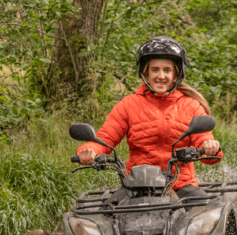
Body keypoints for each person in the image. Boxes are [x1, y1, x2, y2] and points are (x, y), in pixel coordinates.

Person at [75, 36, 222, 199]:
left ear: (176, 75)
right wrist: (88, 151)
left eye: (167, 70)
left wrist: (209, 147)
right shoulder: (128, 104)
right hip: (137, 187)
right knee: (104, 216)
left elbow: (206, 144)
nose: (161, 76)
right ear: (145, 72)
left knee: (206, 217)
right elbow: (105, 138)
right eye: (155, 70)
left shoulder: (191, 106)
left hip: (181, 186)